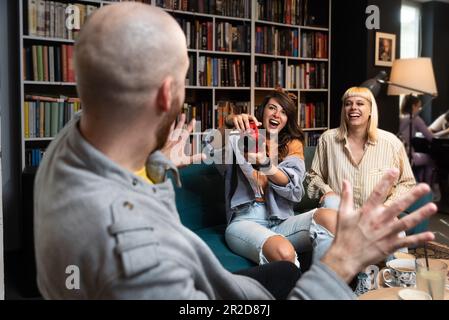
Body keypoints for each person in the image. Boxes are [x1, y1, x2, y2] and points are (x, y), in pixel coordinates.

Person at [34, 3, 436, 300]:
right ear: (167, 93)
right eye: (187, 77)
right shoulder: (138, 256)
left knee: (287, 273)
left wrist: (158, 167)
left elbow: (292, 190)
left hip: (244, 263)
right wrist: (341, 265)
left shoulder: (69, 147)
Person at [217, 89, 337, 270]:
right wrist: (229, 121)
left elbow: (294, 187)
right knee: (284, 252)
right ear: (262, 111)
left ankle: (326, 287)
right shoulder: (240, 137)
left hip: (282, 221)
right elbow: (212, 147)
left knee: (331, 217)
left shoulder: (292, 144)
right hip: (245, 221)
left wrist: (265, 163)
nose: (276, 115)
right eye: (272, 108)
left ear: (287, 119)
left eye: (283, 112)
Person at [307, 87, 416, 211]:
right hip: (338, 212)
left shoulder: (391, 143)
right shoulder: (327, 139)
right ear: (344, 110)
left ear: (370, 110)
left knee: (398, 230)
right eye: (348, 104)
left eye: (360, 103)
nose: (353, 107)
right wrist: (327, 192)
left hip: (375, 215)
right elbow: (313, 176)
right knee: (331, 204)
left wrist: (387, 206)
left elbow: (407, 182)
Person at [398, 94, 435, 185]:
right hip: (407, 155)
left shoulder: (401, 117)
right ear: (413, 106)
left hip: (399, 154)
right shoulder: (414, 118)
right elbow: (430, 137)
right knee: (431, 160)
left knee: (421, 164)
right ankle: (428, 189)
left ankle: (418, 183)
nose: (419, 109)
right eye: (418, 106)